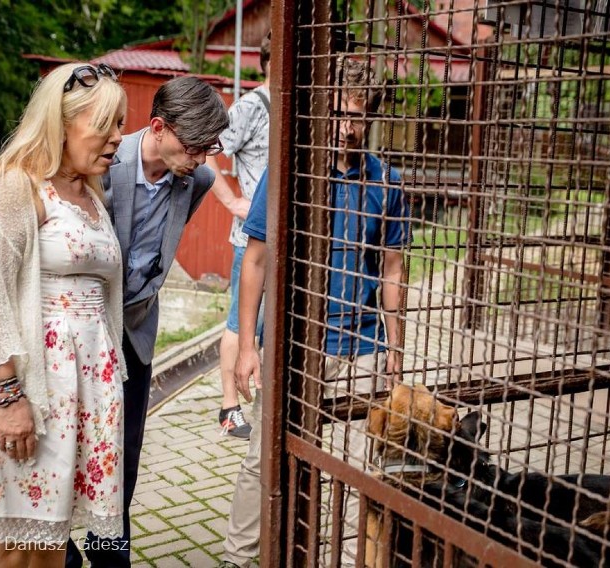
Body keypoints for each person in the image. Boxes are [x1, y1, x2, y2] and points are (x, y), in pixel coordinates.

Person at [0, 62, 127, 567]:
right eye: (105, 125)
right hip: (26, 392)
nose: (117, 139)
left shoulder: (88, 194)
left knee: (44, 550)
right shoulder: (16, 188)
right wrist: (8, 398)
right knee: (11, 553)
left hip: (75, 393)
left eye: (121, 125)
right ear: (61, 124)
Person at [219, 57, 409, 568]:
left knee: (355, 467)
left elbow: (392, 270)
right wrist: (247, 346)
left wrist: (396, 348)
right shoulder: (291, 173)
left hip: (362, 344)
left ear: (373, 116)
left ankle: (344, 559)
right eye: (343, 114)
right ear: (326, 110)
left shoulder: (386, 182)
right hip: (296, 344)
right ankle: (241, 559)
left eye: (361, 116)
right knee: (265, 457)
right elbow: (255, 258)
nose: (350, 127)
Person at [65, 76, 229, 567]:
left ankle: (109, 550)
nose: (201, 159)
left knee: (124, 456)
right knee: (65, 452)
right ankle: (55, 551)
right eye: (194, 146)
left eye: (208, 148)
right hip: (81, 335)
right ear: (159, 127)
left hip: (134, 334)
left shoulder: (194, 180)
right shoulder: (102, 164)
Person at [208, 31, 272, 439]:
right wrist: (232, 201)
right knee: (240, 323)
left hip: (282, 239)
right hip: (250, 238)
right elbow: (207, 152)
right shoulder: (251, 106)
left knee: (266, 324)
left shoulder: (297, 105)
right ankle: (229, 408)